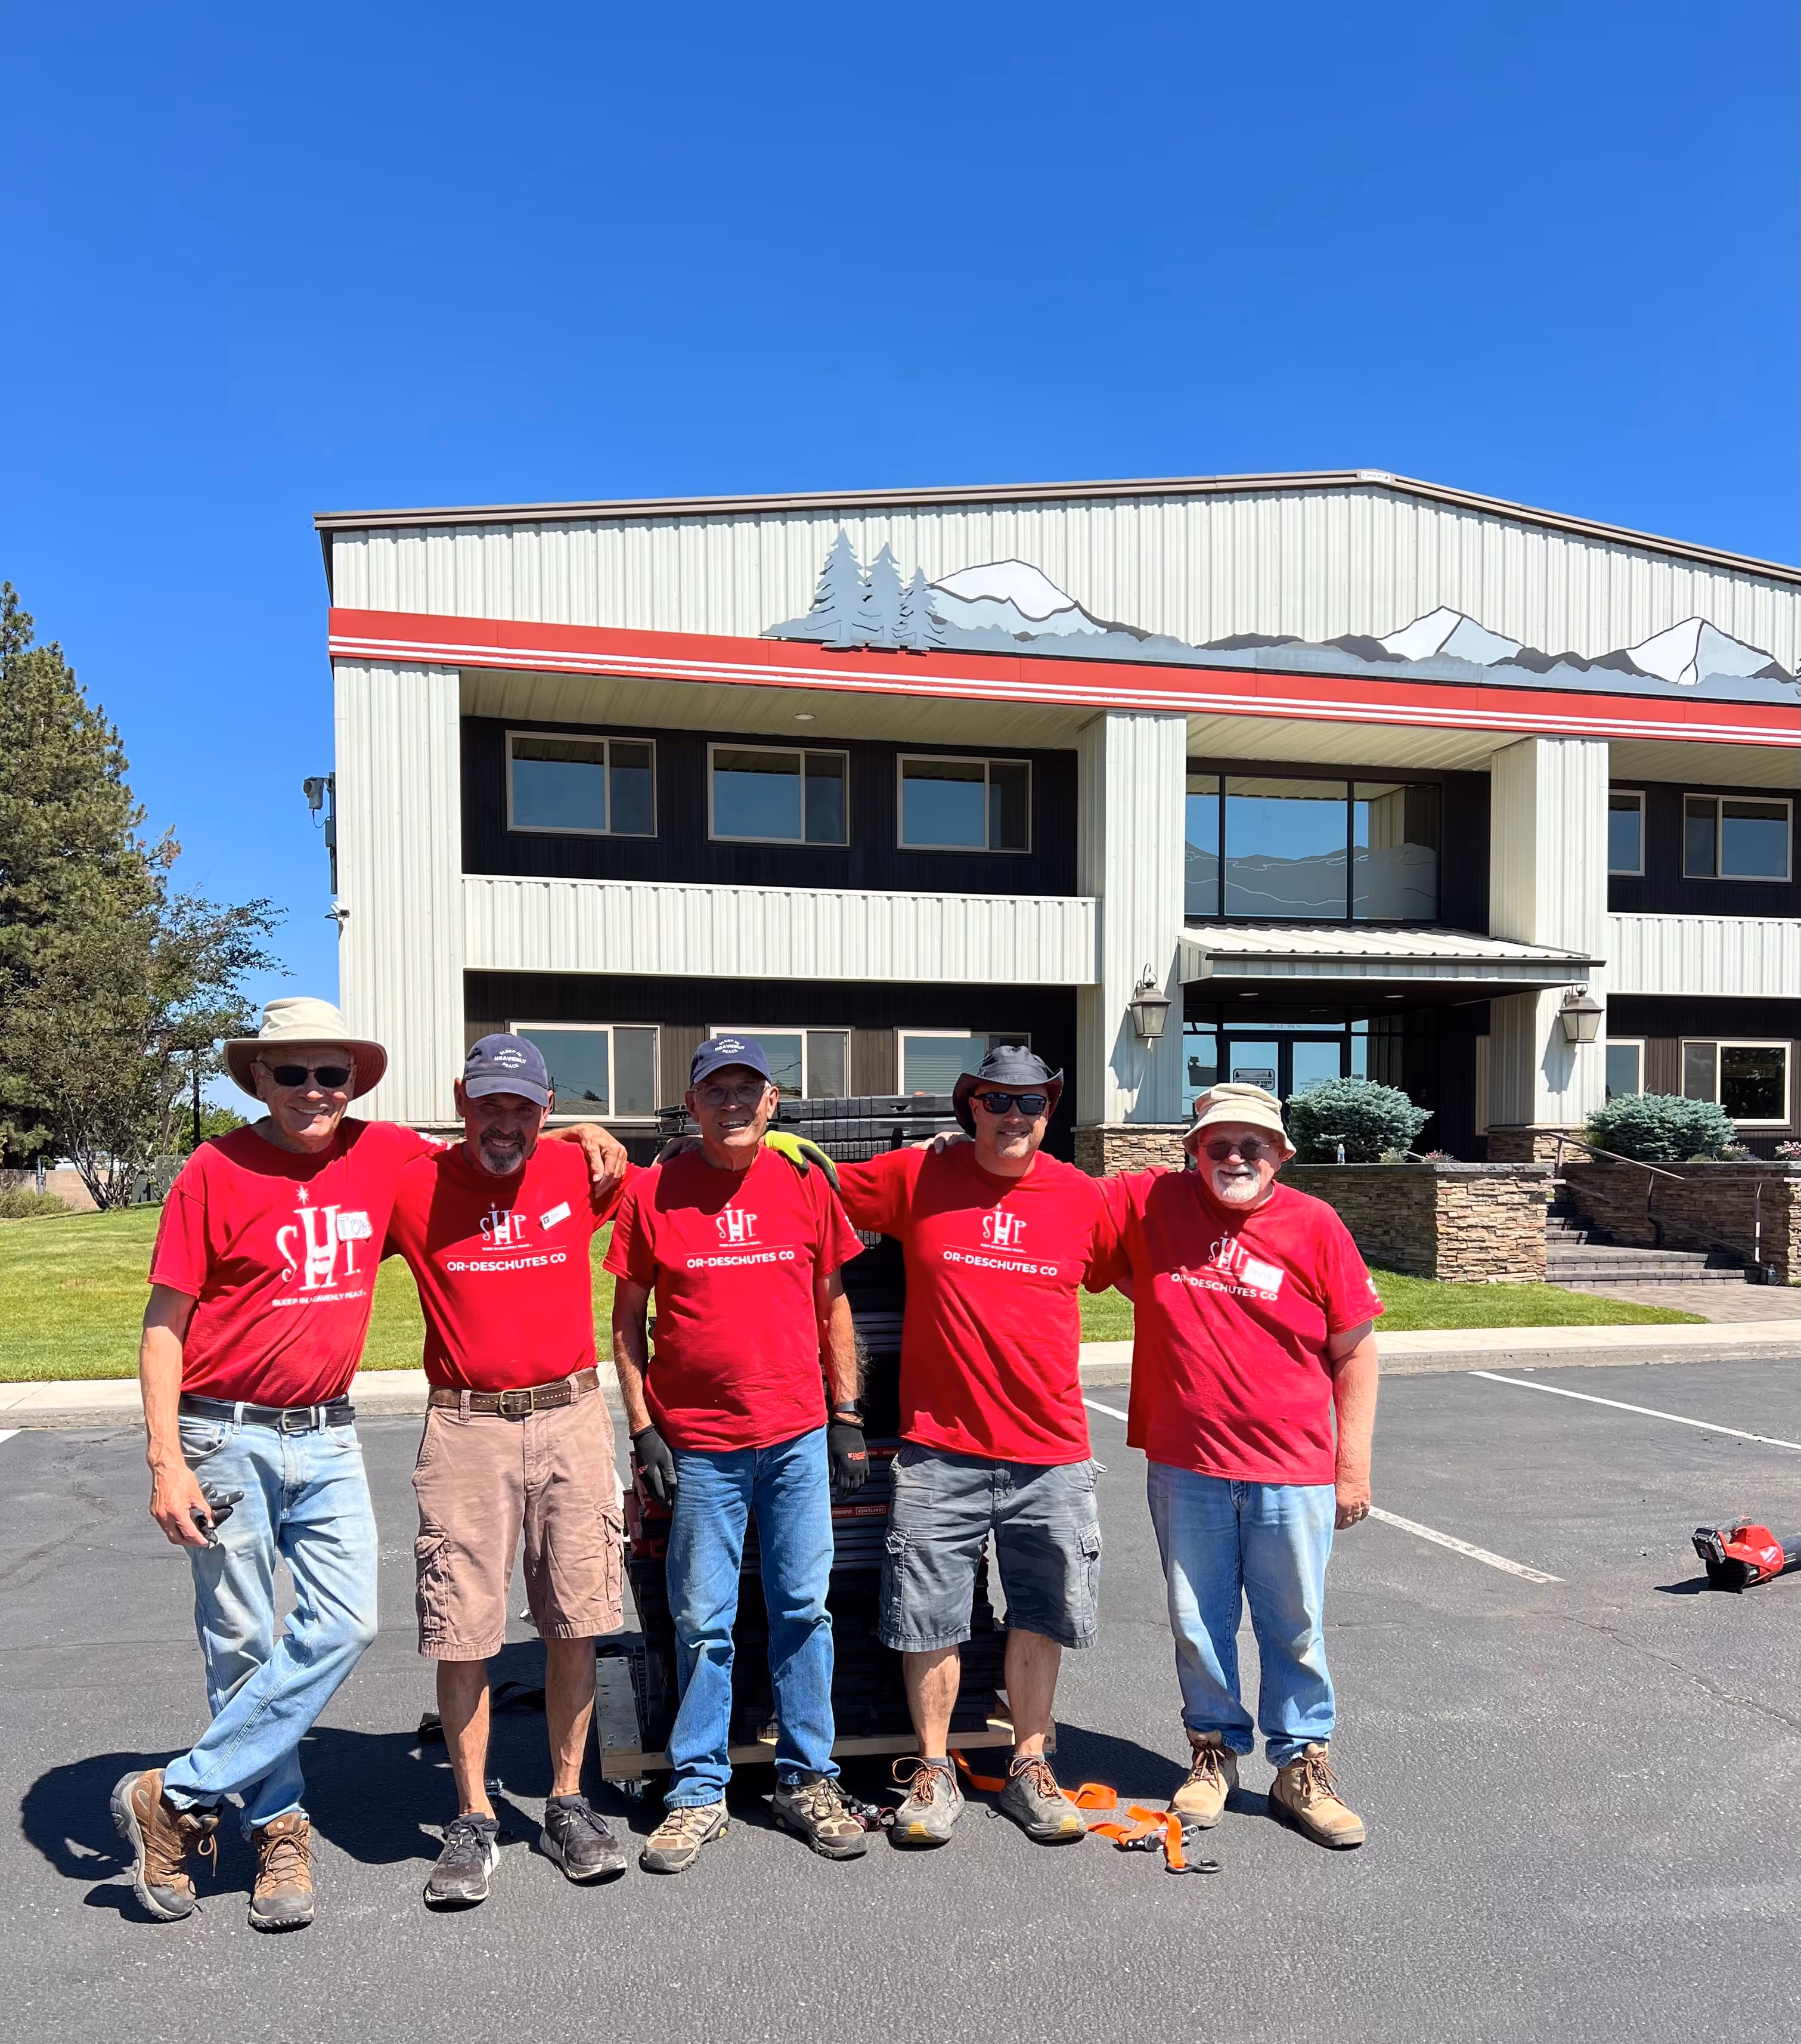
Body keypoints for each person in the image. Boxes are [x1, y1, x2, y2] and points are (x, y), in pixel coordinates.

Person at [113, 998, 625, 1930]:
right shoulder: (231, 1168)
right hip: (229, 1433)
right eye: (292, 1073)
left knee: (361, 1624)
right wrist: (163, 1459)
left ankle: (180, 1794)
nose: (314, 1090)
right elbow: (163, 1324)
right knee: (245, 1642)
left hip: (352, 1429)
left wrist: (597, 1129)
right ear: (256, 1079)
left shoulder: (400, 1156)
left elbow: (614, 1172)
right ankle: (266, 1826)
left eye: (331, 1075)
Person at [832, 1046, 1112, 1848]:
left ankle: (1029, 1765)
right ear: (971, 1106)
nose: (1014, 1117)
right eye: (997, 1101)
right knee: (929, 1618)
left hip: (1050, 1451)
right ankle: (933, 1769)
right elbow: (806, 1183)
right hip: (940, 1451)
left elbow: (1162, 1264)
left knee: (1041, 1612)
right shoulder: (916, 1178)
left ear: (1049, 1111)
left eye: (1031, 1103)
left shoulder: (1079, 1196)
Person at [1093, 1081, 1381, 1849]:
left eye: (1253, 1145)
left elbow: (1355, 1350)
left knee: (1296, 1628)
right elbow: (1059, 1204)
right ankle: (1213, 1754)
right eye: (1218, 1144)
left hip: (1293, 1467)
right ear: (1193, 1152)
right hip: (1187, 1465)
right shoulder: (1154, 1206)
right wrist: (952, 1154)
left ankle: (1301, 1769)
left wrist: (1351, 1468)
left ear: (1280, 1154)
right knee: (1198, 1623)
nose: (1235, 1157)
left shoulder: (1315, 1225)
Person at [383, 1035, 637, 1907]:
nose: (506, 1121)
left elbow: (686, 1188)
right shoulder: (413, 1187)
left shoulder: (579, 1173)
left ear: (547, 1107)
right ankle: (472, 1816)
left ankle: (565, 1801)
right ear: (462, 1099)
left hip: (569, 1416)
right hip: (466, 1426)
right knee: (463, 1625)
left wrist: (597, 1132)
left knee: (576, 1615)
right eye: (491, 1103)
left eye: (524, 1107)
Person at [607, 1036, 868, 1873]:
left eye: (746, 1090)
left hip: (795, 1437)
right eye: (714, 1091)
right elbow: (625, 1325)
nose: (731, 1104)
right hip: (702, 1449)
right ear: (692, 1106)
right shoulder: (654, 1192)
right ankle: (696, 1792)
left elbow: (833, 1304)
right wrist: (645, 1428)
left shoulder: (803, 1185)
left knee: (804, 1612)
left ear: (771, 1102)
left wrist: (848, 1414)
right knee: (703, 1623)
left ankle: (807, 1778)